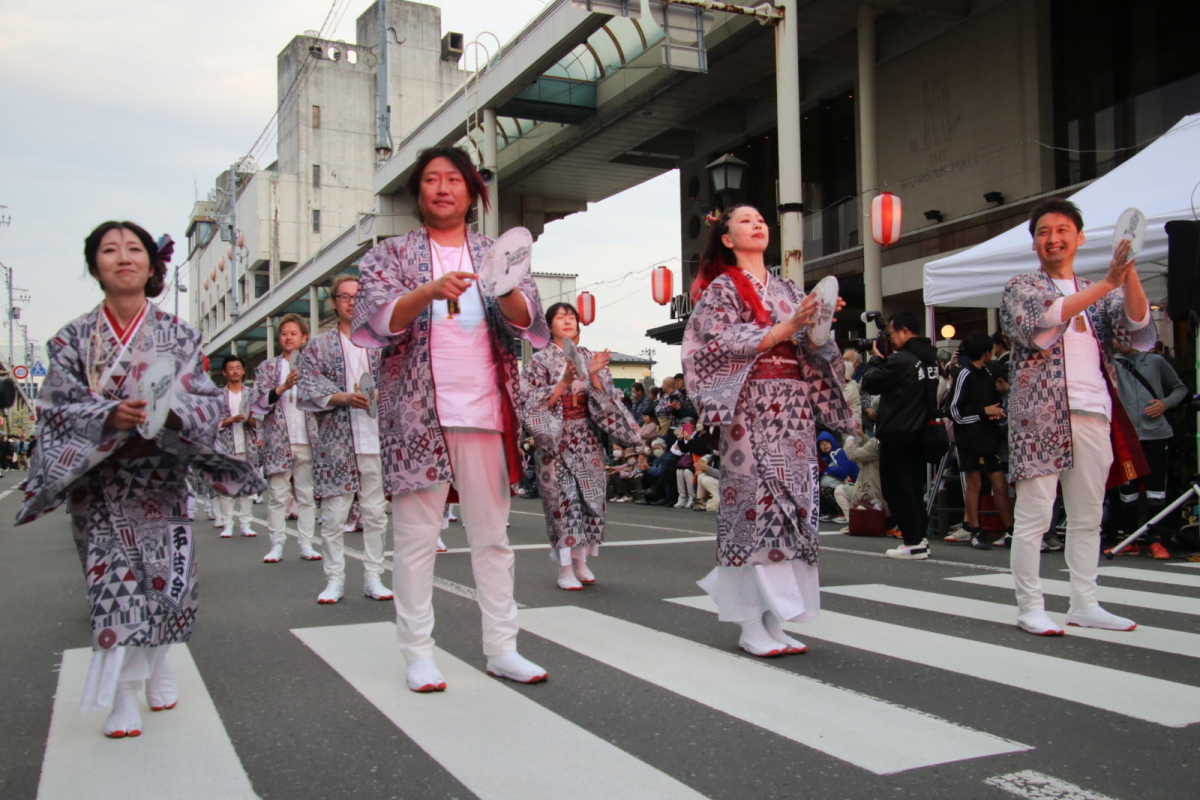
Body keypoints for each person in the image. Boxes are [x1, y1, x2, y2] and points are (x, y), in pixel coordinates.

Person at [15, 221, 262, 739]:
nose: (122, 257)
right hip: (100, 482)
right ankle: (123, 697)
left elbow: (207, 400)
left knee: (171, 586)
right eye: (109, 250)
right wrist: (110, 414)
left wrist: (168, 413)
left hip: (160, 476)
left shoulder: (180, 333)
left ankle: (157, 661)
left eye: (134, 250)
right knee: (113, 589)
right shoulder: (70, 339)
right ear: (94, 265)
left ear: (151, 266)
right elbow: (55, 410)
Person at [351, 145, 550, 691]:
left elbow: (527, 319)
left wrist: (502, 287)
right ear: (419, 193)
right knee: (416, 539)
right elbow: (377, 319)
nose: (442, 188)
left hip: (484, 409)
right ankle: (418, 653)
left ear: (471, 192)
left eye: (453, 180)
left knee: (492, 537)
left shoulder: (494, 252)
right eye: (432, 180)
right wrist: (429, 290)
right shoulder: (390, 255)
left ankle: (502, 648)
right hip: (417, 416)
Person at [683, 204, 853, 658]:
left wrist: (819, 324)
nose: (758, 224)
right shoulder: (720, 290)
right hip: (750, 406)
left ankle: (775, 618)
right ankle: (746, 623)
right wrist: (789, 325)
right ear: (726, 239)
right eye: (745, 221)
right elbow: (712, 347)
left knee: (794, 508)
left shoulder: (787, 288)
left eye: (761, 219)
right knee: (752, 509)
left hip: (794, 410)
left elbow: (815, 348)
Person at [1000, 198, 1155, 635]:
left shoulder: (1098, 289)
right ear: (1034, 243)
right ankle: (1030, 605)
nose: (1053, 238)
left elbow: (1137, 327)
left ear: (1079, 237)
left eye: (1063, 230)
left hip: (1093, 411)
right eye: (1044, 232)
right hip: (1039, 415)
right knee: (1035, 515)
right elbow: (1044, 321)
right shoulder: (1022, 285)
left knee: (1088, 514)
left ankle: (1085, 602)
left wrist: (1128, 270)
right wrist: (1109, 281)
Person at [520, 302, 641, 590]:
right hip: (555, 439)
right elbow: (528, 404)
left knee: (591, 501)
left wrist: (596, 375)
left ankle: (582, 560)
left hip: (587, 438)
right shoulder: (539, 361)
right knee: (563, 503)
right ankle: (564, 567)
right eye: (560, 317)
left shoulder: (590, 356)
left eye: (571, 316)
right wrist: (562, 383)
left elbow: (609, 402)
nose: (568, 320)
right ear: (549, 326)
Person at [297, 274, 393, 604]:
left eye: (357, 296)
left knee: (376, 513)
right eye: (344, 296)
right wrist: (341, 397)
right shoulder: (319, 345)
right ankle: (334, 579)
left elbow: (399, 379)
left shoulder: (382, 342)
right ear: (334, 302)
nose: (351, 302)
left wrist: (380, 392)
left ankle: (373, 577)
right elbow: (308, 385)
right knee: (335, 514)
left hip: (376, 438)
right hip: (337, 441)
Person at [860, 311, 940, 560]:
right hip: (920, 432)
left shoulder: (903, 360)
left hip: (899, 432)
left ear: (905, 331)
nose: (890, 339)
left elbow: (870, 383)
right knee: (913, 487)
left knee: (897, 489)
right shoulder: (929, 360)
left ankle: (913, 541)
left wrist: (875, 359)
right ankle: (920, 538)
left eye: (892, 333)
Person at [252, 314, 322, 564]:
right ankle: (276, 545)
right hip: (278, 440)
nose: (288, 337)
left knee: (306, 495)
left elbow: (325, 400)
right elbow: (258, 405)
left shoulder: (314, 366)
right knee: (278, 495)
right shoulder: (267, 368)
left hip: (307, 439)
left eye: (294, 333)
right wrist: (281, 387)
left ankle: (306, 544)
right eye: (284, 333)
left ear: (304, 338)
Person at [1111, 336, 1186, 558]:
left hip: (1155, 434)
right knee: (1127, 491)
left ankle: (1157, 541)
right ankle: (1130, 539)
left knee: (1156, 490)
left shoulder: (1155, 361)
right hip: (1125, 437)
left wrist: (1165, 404)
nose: (1124, 340)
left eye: (1130, 335)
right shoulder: (1108, 363)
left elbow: (1179, 388)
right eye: (1119, 335)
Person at [949, 331, 1012, 550]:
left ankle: (1010, 529)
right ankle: (975, 530)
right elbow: (953, 411)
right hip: (969, 438)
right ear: (985, 353)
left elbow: (990, 403)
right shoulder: (964, 374)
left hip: (988, 435)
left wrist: (994, 412)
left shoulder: (987, 373)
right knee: (974, 483)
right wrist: (983, 412)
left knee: (999, 483)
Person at [215, 355, 257, 539]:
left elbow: (260, 420)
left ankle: (246, 524)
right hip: (226, 445)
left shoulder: (252, 393)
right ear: (225, 372)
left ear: (243, 371)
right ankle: (227, 524)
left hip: (247, 444)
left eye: (238, 368)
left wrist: (250, 419)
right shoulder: (218, 396)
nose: (235, 371)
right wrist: (231, 420)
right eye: (231, 368)